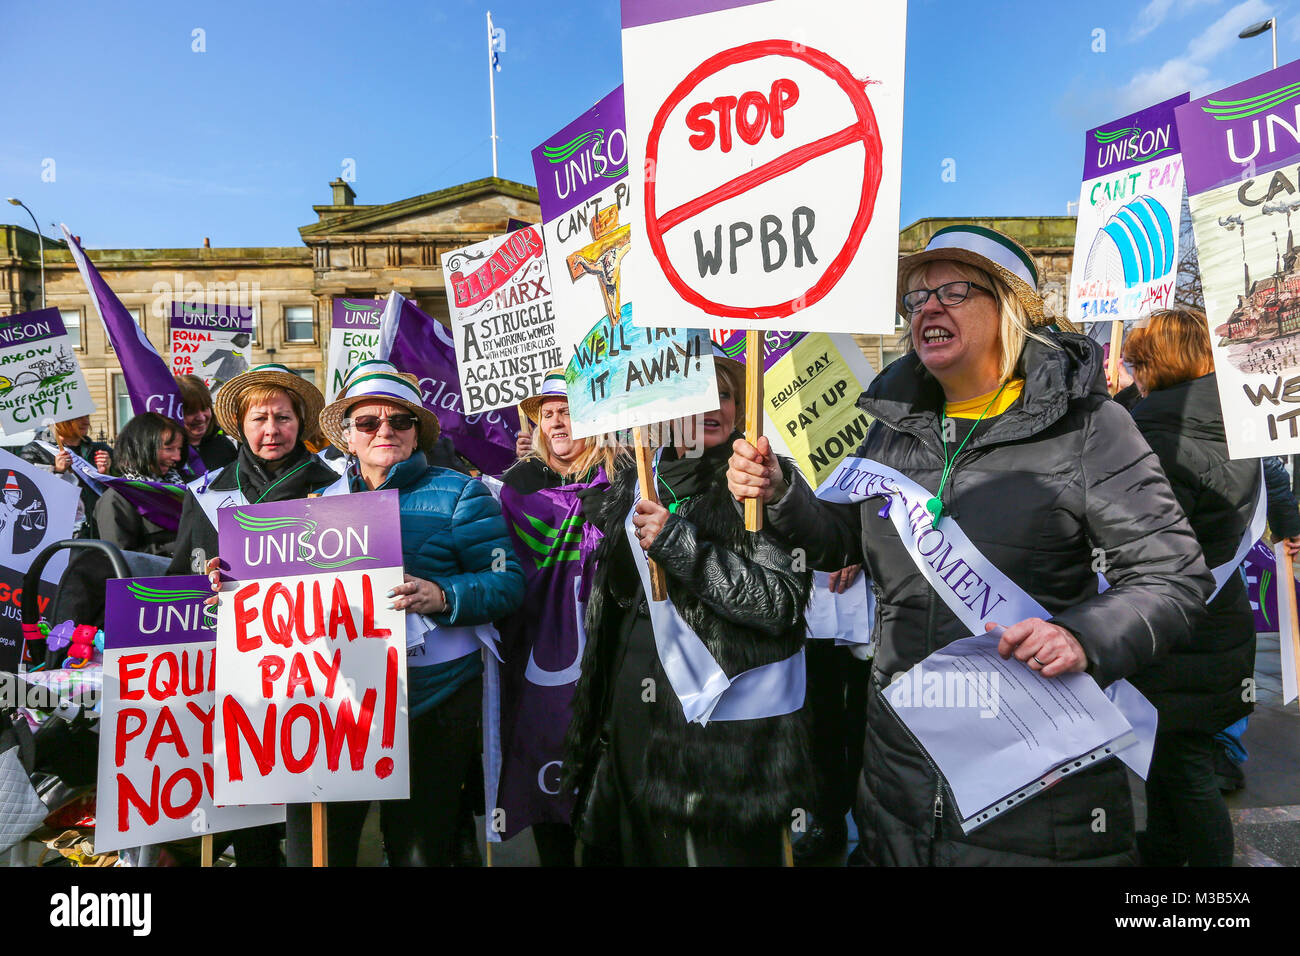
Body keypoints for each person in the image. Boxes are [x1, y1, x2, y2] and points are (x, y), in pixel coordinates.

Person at [728, 224, 1213, 865]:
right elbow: (847, 539)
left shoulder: (1090, 426)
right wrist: (782, 492)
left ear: (1009, 304)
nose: (927, 306)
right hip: (899, 776)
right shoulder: (892, 430)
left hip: (1033, 785)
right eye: (916, 297)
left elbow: (1172, 578)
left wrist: (1082, 636)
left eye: (953, 290)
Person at [564, 350, 812, 866]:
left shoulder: (759, 481)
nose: (711, 407)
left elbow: (779, 603)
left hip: (719, 724)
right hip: (631, 704)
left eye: (724, 393)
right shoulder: (639, 482)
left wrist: (681, 547)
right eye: (696, 392)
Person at [313, 360, 524, 865]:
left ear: (416, 431)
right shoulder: (321, 501)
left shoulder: (461, 492)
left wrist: (443, 595)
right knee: (331, 841)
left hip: (435, 697)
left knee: (419, 846)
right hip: (343, 700)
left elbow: (507, 584)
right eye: (368, 422)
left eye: (399, 421)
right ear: (348, 436)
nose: (385, 431)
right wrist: (233, 582)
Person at [169, 363, 339, 866]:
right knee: (250, 816)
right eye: (259, 418)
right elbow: (183, 580)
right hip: (238, 677)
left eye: (283, 417)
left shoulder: (338, 490)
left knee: (313, 812)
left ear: (300, 422)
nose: (272, 430)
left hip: (319, 674)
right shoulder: (207, 495)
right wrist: (208, 582)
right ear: (240, 426)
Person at [1122, 310, 1261, 866]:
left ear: (1159, 364)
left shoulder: (1159, 436)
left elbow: (1142, 539)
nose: (1131, 373)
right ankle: (1162, 850)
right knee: (1175, 754)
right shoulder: (1234, 424)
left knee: (1184, 765)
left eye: (1136, 362)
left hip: (1176, 632)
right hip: (1214, 618)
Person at [498, 370, 626, 866]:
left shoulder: (626, 477)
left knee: (607, 784)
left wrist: (613, 520)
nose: (555, 421)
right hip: (540, 657)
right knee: (546, 766)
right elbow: (506, 569)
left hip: (612, 650)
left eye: (566, 409)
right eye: (546, 413)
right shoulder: (516, 489)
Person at [93, 412, 186, 558]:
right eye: (169, 449)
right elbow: (121, 559)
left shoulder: (186, 486)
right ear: (141, 448)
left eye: (179, 449)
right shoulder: (117, 499)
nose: (177, 457)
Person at [20, 415, 112, 535]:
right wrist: (58, 472)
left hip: (99, 528)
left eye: (87, 416)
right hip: (61, 531)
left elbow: (121, 492)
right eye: (79, 417)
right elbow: (30, 495)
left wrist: (106, 474)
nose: (86, 422)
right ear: (60, 420)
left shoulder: (101, 450)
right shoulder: (34, 451)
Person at [175, 373, 237, 471]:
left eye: (205, 408)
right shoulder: (165, 453)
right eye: (191, 412)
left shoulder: (224, 446)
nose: (201, 418)